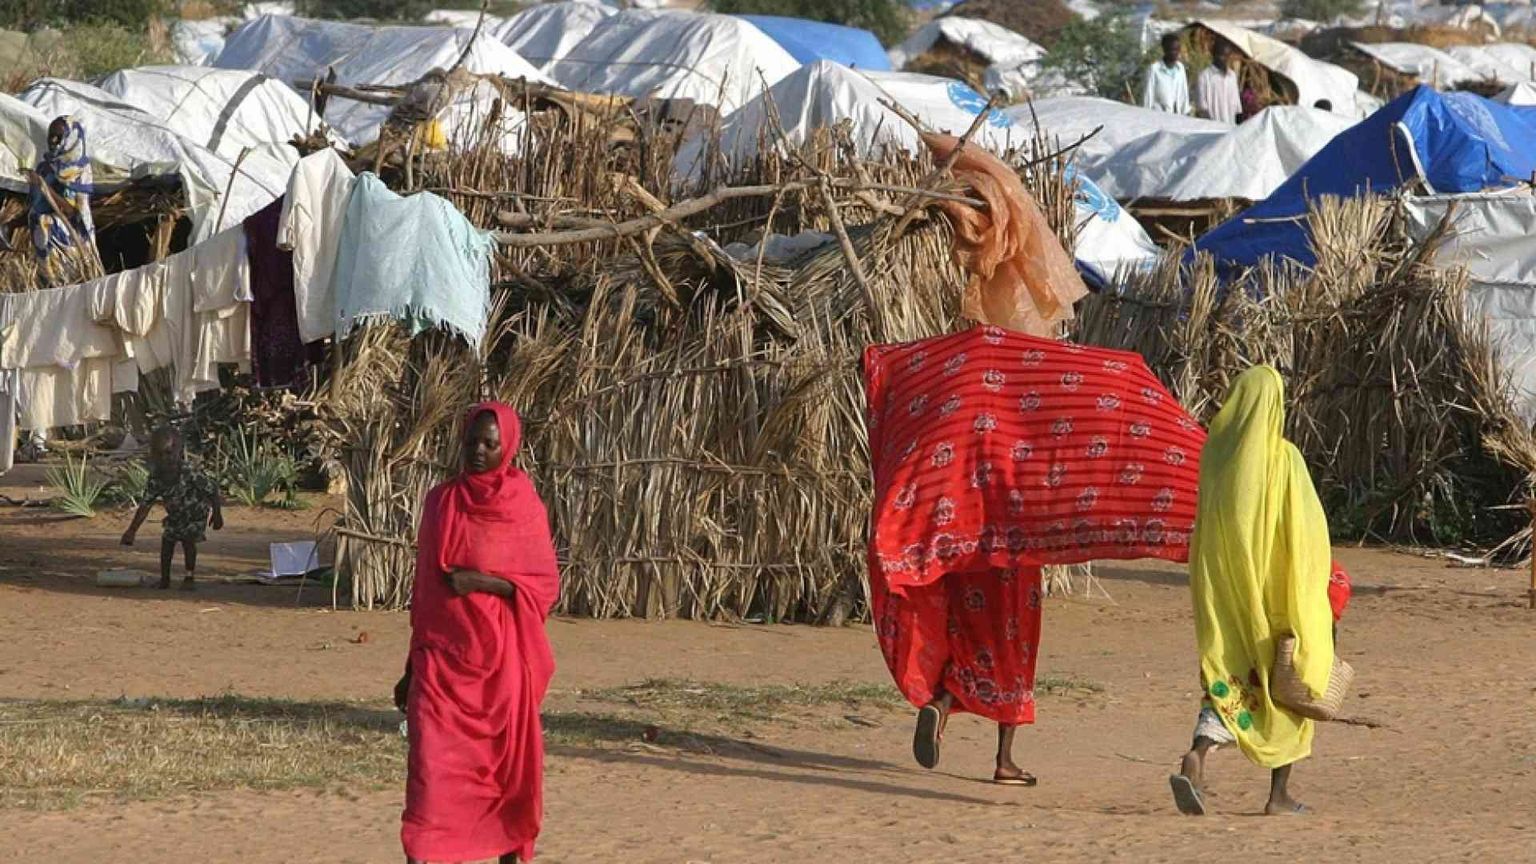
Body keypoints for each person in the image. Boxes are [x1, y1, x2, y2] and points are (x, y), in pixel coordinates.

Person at [1167, 366, 1337, 817]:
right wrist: (1306, 600)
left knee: (1229, 682)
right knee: (1289, 690)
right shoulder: (1283, 460)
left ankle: (1198, 755)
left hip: (1225, 599)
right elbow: (1305, 536)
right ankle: (1278, 796)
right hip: (1275, 600)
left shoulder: (1216, 458)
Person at [400, 402, 560, 864]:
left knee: (501, 777)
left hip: (499, 668)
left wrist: (481, 582)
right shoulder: (441, 502)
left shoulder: (522, 506)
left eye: (490, 444)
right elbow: (425, 594)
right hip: (440, 663)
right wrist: (410, 668)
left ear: (506, 447)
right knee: (429, 777)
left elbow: (542, 586)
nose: (478, 452)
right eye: (472, 442)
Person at [121, 426, 223, 590]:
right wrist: (132, 530)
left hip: (195, 514)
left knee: (188, 541)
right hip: (175, 515)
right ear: (153, 455)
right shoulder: (156, 478)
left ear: (178, 452)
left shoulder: (190, 473)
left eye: (168, 453)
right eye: (159, 455)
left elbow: (212, 490)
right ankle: (165, 579)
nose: (165, 459)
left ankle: (189, 577)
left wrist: (217, 515)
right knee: (167, 542)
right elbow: (146, 504)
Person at [27, 115, 98, 288]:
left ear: (70, 138)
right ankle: (48, 277)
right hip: (46, 240)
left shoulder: (81, 171)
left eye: (58, 137)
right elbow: (35, 206)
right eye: (51, 136)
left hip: (73, 239)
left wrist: (45, 188)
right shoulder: (45, 168)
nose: (53, 141)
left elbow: (74, 213)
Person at [1142, 34, 1190, 115]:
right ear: (1165, 49)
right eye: (1172, 49)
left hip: (1176, 114)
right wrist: (1146, 114)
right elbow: (1148, 95)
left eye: (1177, 49)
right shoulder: (1154, 69)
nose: (1176, 53)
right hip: (1158, 115)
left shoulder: (1180, 68)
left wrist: (1185, 112)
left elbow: (1183, 93)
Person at [1195, 42, 1242, 124]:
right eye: (1222, 55)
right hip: (1213, 127)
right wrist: (1213, 126)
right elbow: (1202, 107)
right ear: (1214, 55)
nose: (1226, 59)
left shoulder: (1232, 76)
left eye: (1228, 56)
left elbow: (1237, 105)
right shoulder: (1204, 77)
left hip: (1231, 126)